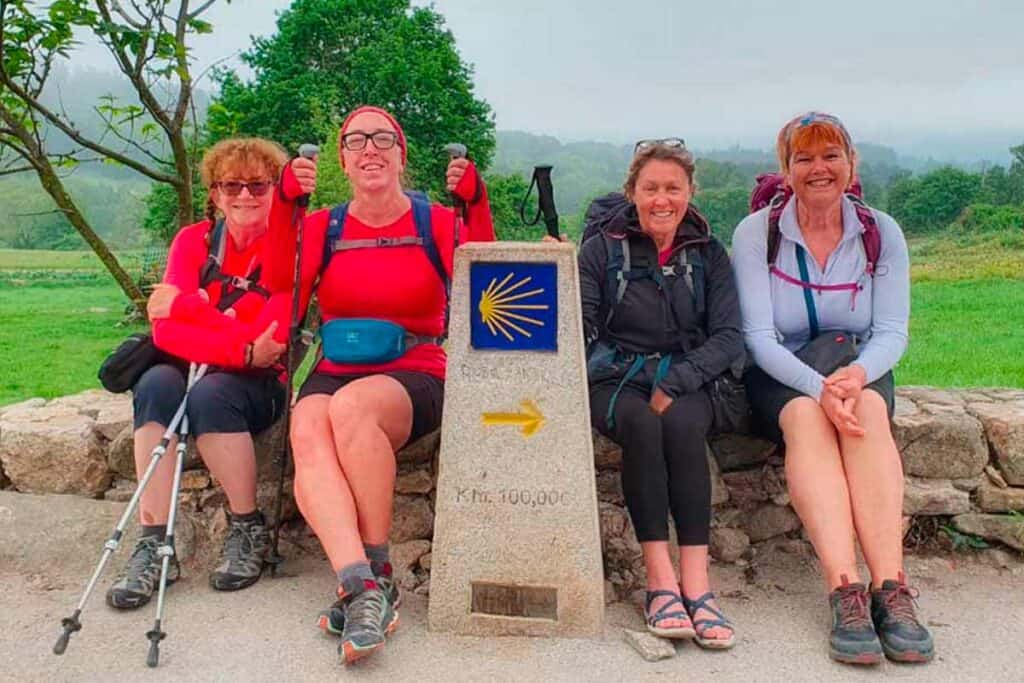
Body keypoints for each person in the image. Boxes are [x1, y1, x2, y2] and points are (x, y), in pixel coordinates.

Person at [262, 105, 494, 664]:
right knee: (308, 425)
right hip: (337, 364)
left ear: (401, 154)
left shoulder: (434, 222)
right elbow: (280, 285)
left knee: (351, 409)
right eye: (356, 140)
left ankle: (376, 570)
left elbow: (485, 270)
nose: (370, 149)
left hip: (415, 370)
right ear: (341, 157)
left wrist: (477, 199)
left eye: (383, 139)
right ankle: (364, 584)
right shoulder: (325, 226)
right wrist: (285, 206)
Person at [731, 112, 933, 665]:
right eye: (804, 158)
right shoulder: (758, 233)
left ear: (851, 164)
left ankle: (891, 588)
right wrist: (818, 388)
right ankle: (845, 588)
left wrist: (858, 376)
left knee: (866, 410)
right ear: (786, 169)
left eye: (830, 156)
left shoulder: (879, 231)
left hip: (855, 367)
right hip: (782, 372)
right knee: (804, 420)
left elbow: (891, 331)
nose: (818, 169)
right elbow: (758, 337)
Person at [108, 138, 291, 609]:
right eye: (232, 185)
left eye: (258, 185)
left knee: (210, 395)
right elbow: (166, 333)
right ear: (214, 192)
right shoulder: (193, 240)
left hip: (260, 387)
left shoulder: (291, 246)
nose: (245, 195)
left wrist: (193, 309)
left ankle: (247, 526)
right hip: (196, 366)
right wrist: (238, 342)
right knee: (153, 383)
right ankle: (154, 543)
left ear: (276, 189)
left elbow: (274, 338)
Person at [576, 139, 743, 648]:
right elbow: (578, 325)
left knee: (683, 425)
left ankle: (697, 583)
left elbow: (729, 335)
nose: (661, 199)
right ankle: (659, 580)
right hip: (616, 378)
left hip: (686, 376)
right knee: (644, 425)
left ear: (690, 193)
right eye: (650, 188)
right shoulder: (601, 250)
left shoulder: (709, 254)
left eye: (673, 188)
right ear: (632, 193)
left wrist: (677, 381)